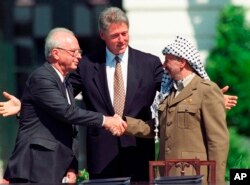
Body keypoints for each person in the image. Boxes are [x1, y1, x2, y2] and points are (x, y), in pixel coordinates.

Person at [0, 7, 237, 182]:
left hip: (139, 153)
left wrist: (212, 97)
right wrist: (25, 105)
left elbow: (175, 91)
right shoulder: (86, 64)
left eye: (124, 33)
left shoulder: (149, 62)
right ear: (103, 35)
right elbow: (59, 100)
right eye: (115, 35)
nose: (121, 39)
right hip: (102, 157)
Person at [1, 27, 126, 184]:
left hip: (52, 168)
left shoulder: (65, 81)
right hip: (35, 168)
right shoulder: (42, 78)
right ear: (56, 53)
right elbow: (67, 112)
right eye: (73, 52)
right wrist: (105, 120)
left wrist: (71, 167)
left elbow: (63, 124)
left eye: (79, 52)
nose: (79, 56)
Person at [124, 36, 229, 183]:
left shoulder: (206, 90)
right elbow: (158, 128)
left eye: (167, 60)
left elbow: (218, 141)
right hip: (167, 175)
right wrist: (125, 124)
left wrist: (216, 181)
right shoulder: (168, 93)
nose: (164, 65)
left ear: (182, 62)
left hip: (194, 177)